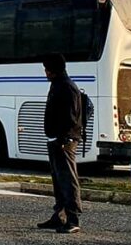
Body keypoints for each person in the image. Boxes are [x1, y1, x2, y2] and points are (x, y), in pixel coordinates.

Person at [37, 54, 83, 234]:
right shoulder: (58, 85)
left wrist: (64, 139)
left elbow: (71, 117)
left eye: (47, 69)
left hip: (65, 140)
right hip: (57, 139)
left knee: (68, 179)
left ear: (54, 70)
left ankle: (73, 218)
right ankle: (60, 215)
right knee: (58, 179)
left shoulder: (67, 87)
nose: (45, 72)